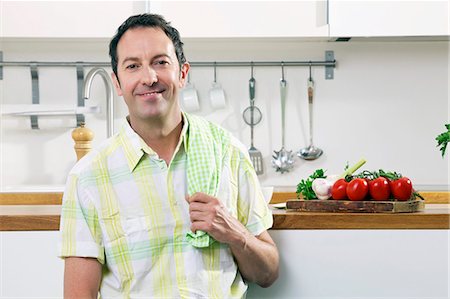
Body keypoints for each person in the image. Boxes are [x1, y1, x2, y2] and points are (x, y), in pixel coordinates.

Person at [58, 13, 279, 299]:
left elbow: (268, 273)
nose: (149, 78)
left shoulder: (227, 152)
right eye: (133, 66)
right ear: (117, 82)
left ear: (183, 73)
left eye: (160, 62)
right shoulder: (88, 177)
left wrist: (235, 233)